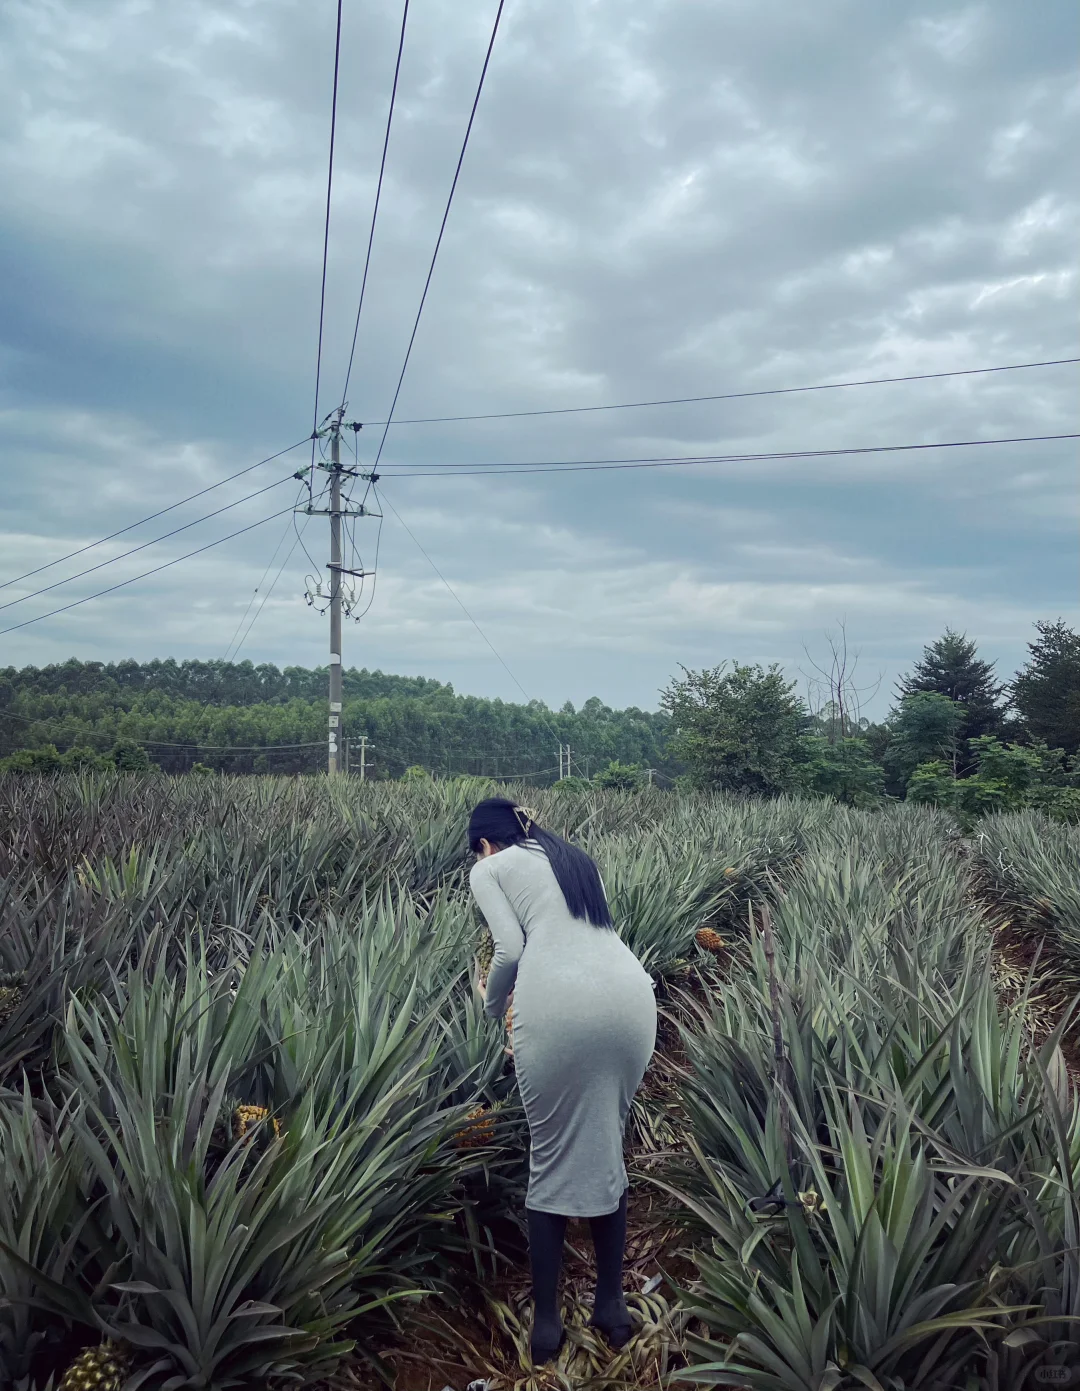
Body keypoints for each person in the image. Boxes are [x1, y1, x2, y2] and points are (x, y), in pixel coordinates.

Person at [468, 797, 657, 1365]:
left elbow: (511, 948)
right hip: (631, 999)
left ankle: (547, 1324)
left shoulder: (488, 868)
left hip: (558, 1008)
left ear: (484, 843)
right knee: (606, 1149)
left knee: (548, 1156)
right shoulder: (573, 859)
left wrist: (489, 1005)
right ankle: (611, 1307)